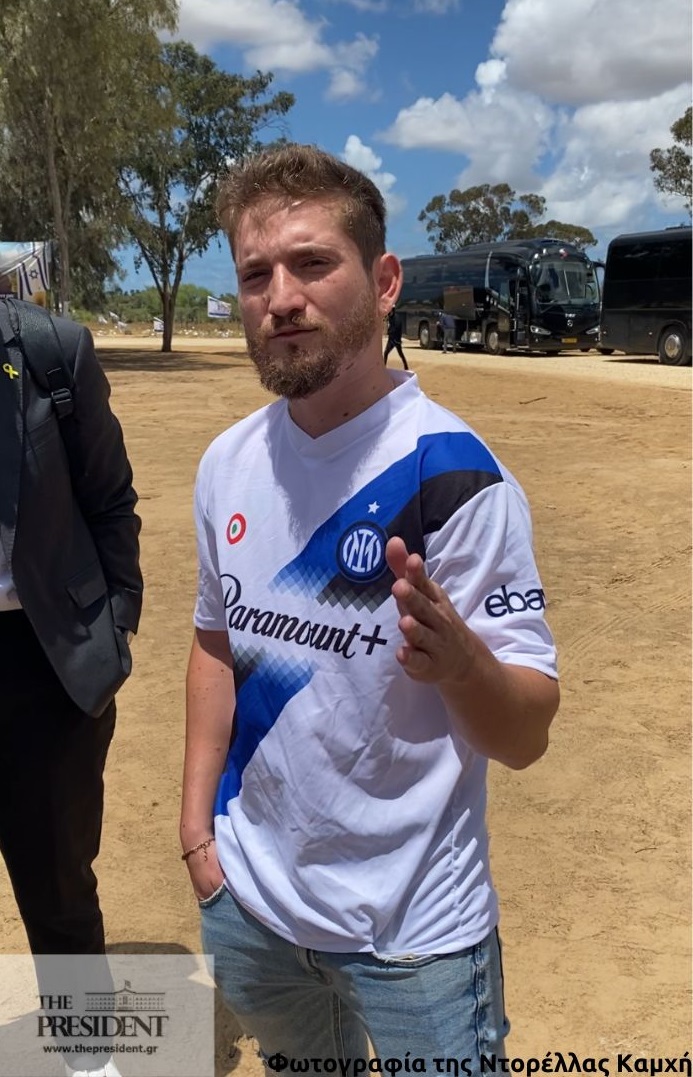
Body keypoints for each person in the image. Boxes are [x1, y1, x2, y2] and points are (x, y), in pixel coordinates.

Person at [181, 145, 559, 1069]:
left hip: (415, 938)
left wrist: (462, 666)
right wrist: (197, 833)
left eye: (312, 263)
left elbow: (524, 736)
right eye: (256, 274)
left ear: (384, 281)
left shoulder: (455, 479)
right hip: (253, 911)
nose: (281, 298)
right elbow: (215, 645)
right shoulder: (227, 463)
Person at [0, 300, 142, 1077]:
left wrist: (115, 627)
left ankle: (87, 1057)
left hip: (44, 656)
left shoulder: (49, 350)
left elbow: (110, 497)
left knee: (57, 876)